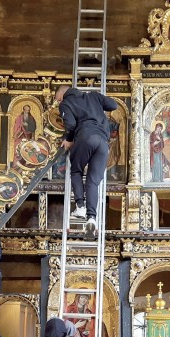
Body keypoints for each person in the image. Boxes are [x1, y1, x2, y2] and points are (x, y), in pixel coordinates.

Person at [56, 85, 118, 241]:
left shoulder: (66, 103)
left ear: (62, 94)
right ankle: (91, 220)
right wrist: (99, 103)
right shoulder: (94, 96)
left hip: (85, 138)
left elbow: (70, 124)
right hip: (103, 143)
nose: (57, 103)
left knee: (76, 170)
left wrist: (68, 140)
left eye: (57, 99)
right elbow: (113, 105)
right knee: (92, 182)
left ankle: (81, 207)